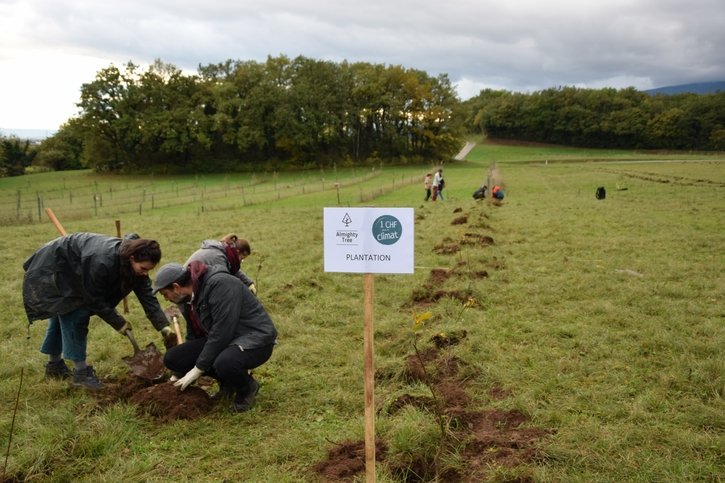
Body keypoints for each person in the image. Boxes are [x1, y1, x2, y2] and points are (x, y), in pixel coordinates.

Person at [22, 233, 176, 390]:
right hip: (57, 266)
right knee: (76, 313)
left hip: (78, 266)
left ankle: (55, 366)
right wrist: (119, 323)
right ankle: (81, 374)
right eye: (143, 268)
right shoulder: (102, 262)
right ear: (131, 258)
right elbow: (93, 299)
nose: (145, 273)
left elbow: (147, 297)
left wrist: (163, 326)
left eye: (148, 270)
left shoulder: (135, 267)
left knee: (63, 313)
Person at [153, 261, 277, 413]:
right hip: (226, 339)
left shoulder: (220, 284)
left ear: (176, 287)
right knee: (174, 358)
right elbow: (194, 336)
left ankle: (247, 388)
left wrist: (198, 369)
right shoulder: (188, 299)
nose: (166, 299)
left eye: (165, 294)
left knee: (224, 362)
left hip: (255, 338)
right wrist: (179, 373)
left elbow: (222, 332)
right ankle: (228, 384)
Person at [185, 234, 256, 295]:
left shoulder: (225, 251)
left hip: (196, 282)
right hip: (186, 286)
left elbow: (232, 269)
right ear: (237, 252)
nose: (241, 261)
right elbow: (225, 282)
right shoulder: (218, 256)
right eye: (242, 258)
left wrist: (249, 283)